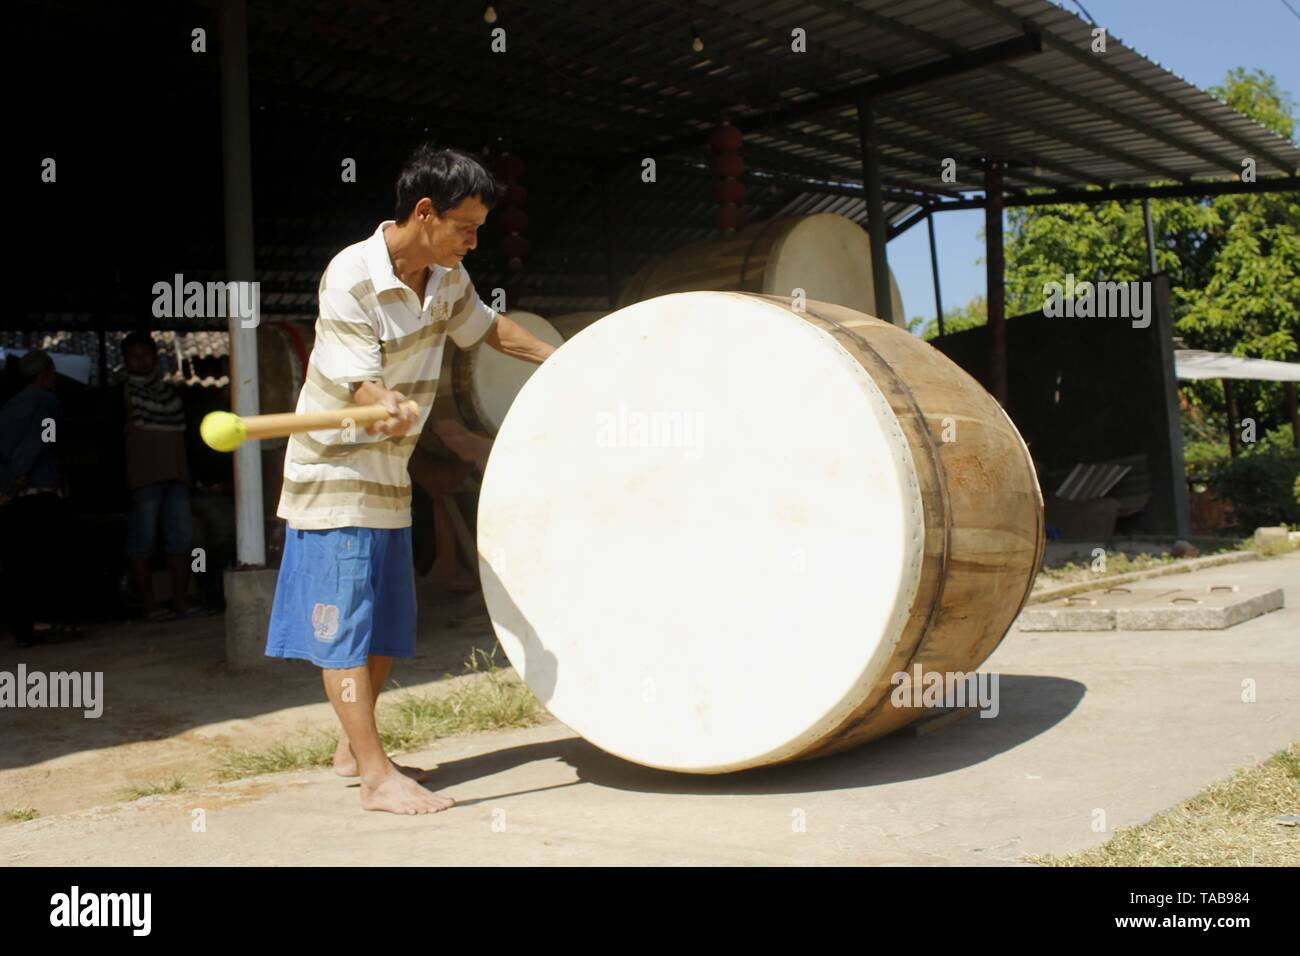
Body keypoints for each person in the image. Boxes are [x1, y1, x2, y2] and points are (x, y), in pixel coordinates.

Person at [265, 144, 558, 815]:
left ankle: (351, 750)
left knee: (388, 622)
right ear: (424, 213)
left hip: (388, 474)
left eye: (480, 228)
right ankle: (374, 777)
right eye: (466, 226)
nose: (474, 240)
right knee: (343, 626)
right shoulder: (352, 276)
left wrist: (563, 357)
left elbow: (491, 332)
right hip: (335, 471)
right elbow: (355, 377)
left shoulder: (448, 278)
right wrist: (382, 399)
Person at [121, 331, 200, 620]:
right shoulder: (124, 392)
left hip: (177, 476)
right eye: (135, 356)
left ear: (155, 357)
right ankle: (150, 606)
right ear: (126, 361)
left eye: (146, 355)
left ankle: (180, 601)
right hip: (144, 478)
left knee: (181, 540)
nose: (142, 361)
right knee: (143, 542)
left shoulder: (171, 392)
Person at [0, 350, 64, 647]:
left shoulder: (10, 406)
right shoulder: (47, 401)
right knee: (41, 560)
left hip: (13, 498)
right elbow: (43, 437)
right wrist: (17, 477)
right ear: (45, 374)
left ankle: (22, 627)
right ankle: (41, 623)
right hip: (37, 490)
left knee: (18, 562)